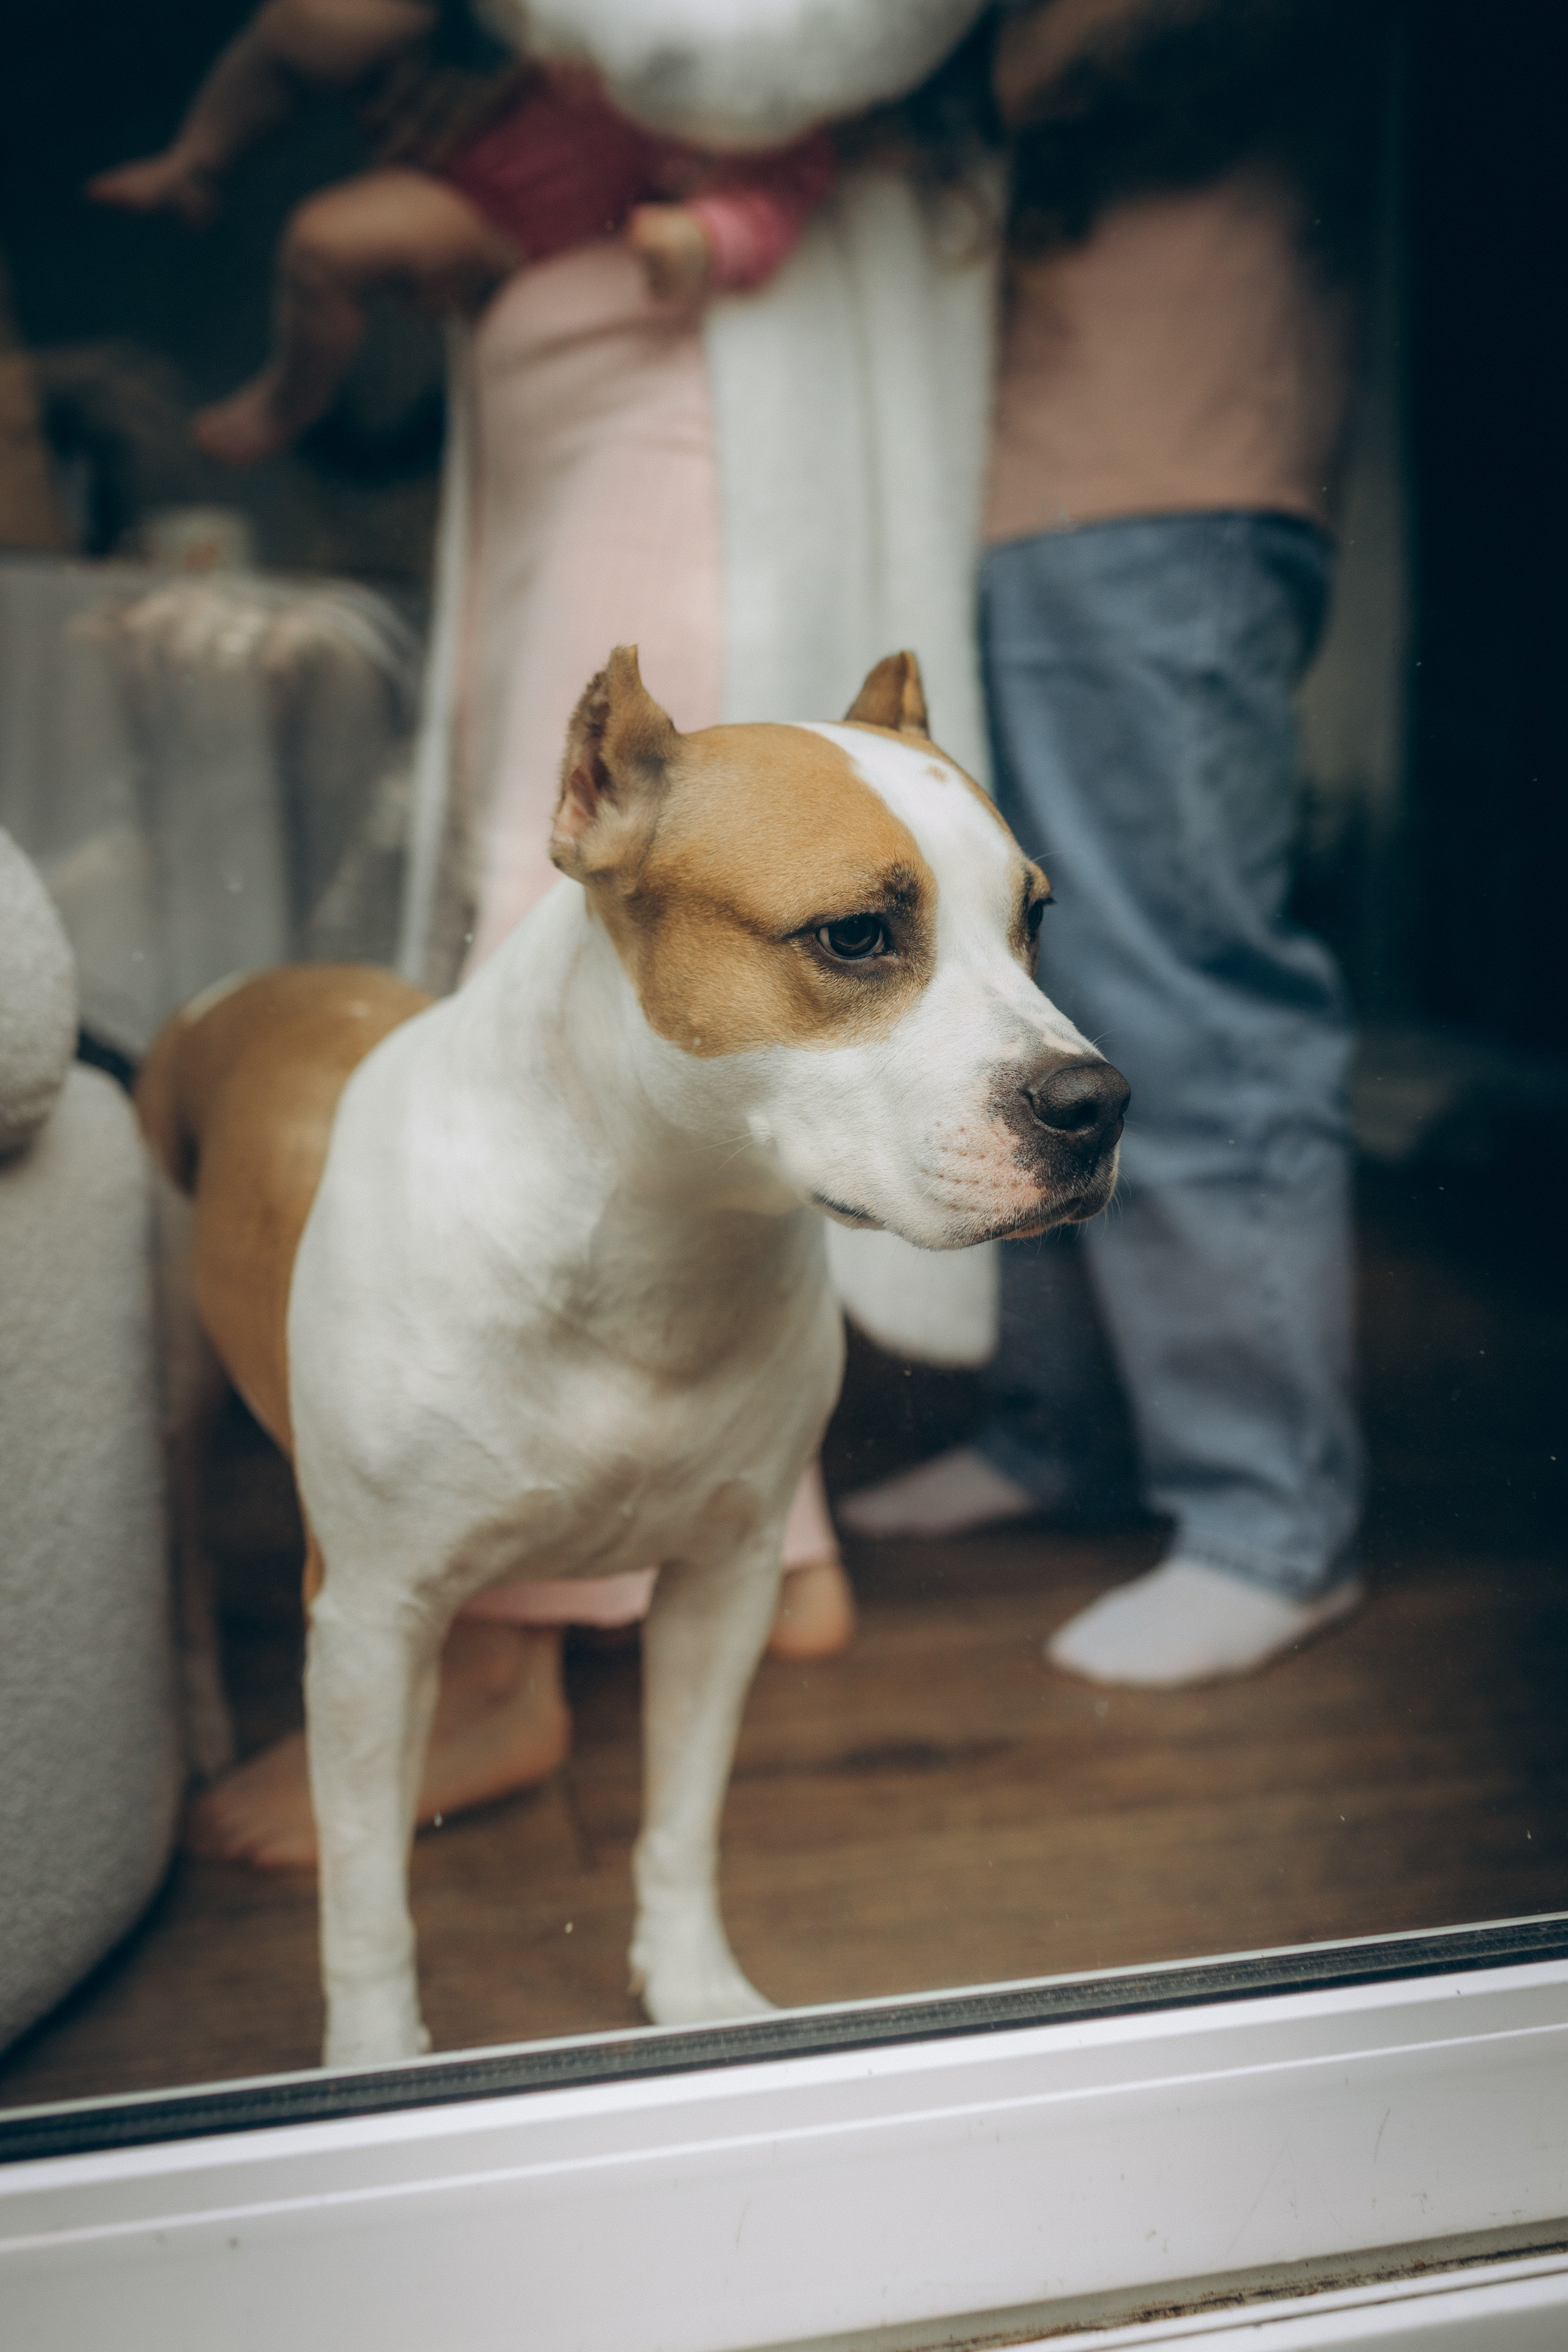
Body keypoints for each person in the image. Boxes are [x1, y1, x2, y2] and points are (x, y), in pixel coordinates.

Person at [185, 0, 996, 1868]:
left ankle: (507, 1666)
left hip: (674, 408)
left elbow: (740, 54)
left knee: (590, 940)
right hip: (575, 404)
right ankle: (771, 1539)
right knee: (588, 961)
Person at [842, 0, 1390, 1689]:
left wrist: (902, 74)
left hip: (1160, 463)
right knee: (1028, 983)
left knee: (1176, 978)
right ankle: (1059, 1432)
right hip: (1016, 475)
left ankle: (1269, 1523)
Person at [88, 0, 835, 467]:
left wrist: (705, 237)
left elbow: (777, 199)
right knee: (309, 21)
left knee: (325, 245)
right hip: (483, 79)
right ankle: (194, 161)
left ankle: (290, 400)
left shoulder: (779, 69)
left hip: (500, 212)